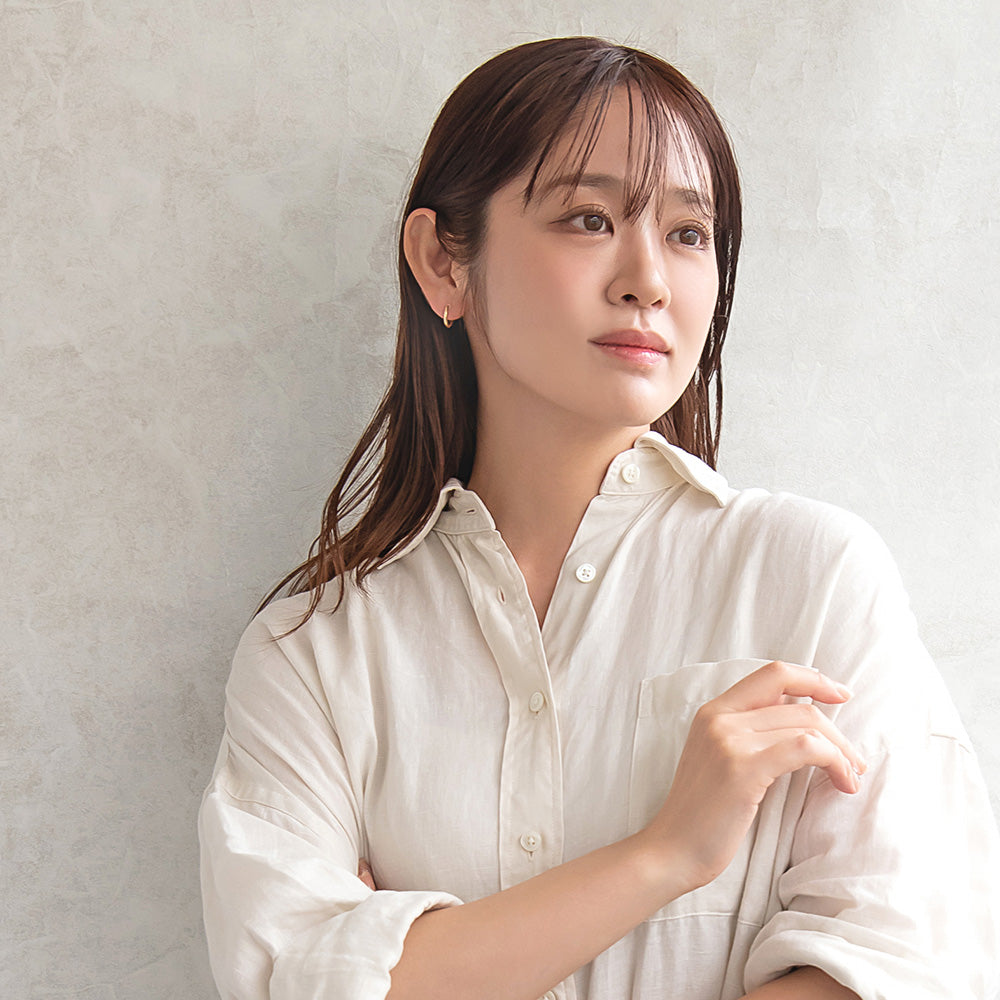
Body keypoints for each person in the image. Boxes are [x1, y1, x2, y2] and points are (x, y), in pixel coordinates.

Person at [198, 36, 1000, 1000]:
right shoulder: (312, 658)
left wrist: (418, 967)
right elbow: (286, 985)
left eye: (689, 233)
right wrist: (667, 852)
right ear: (443, 261)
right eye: (589, 218)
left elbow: (909, 966)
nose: (648, 279)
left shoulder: (814, 578)